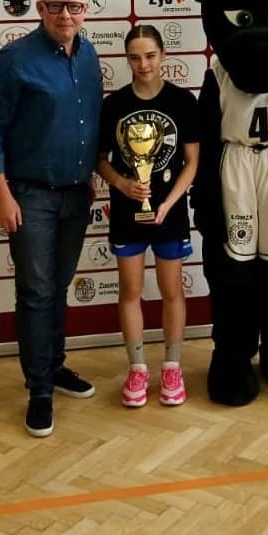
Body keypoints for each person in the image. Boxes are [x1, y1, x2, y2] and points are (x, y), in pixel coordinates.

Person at [0, 0, 103, 437]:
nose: (66, 15)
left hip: (76, 193)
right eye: (56, 6)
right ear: (40, 7)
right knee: (36, 292)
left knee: (57, 287)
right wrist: (1, 195)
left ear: (85, 10)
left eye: (74, 6)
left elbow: (86, 122)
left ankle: (55, 366)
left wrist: (89, 175)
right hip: (29, 196)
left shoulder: (88, 54)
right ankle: (39, 390)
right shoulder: (13, 61)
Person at [97, 24, 199, 407]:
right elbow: (100, 161)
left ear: (163, 55)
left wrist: (169, 202)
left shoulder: (183, 101)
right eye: (135, 57)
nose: (143, 64)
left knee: (172, 290)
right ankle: (137, 368)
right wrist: (123, 185)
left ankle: (172, 366)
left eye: (150, 56)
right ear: (127, 59)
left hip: (170, 213)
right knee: (130, 291)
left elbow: (192, 162)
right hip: (127, 214)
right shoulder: (114, 105)